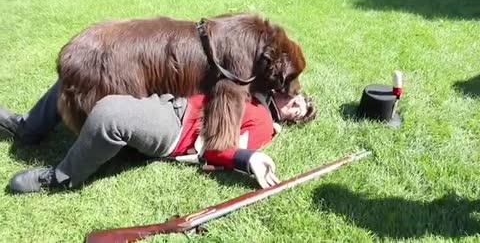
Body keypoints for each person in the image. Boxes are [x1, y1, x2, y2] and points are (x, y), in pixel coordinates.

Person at [0, 81, 316, 194]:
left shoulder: (263, 122)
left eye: (298, 109)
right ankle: (28, 128)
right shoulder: (250, 84)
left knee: (111, 115)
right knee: (83, 73)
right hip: (164, 91)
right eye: (297, 98)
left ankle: (61, 177)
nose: (294, 103)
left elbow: (218, 151)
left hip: (175, 124)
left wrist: (250, 158)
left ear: (292, 119)